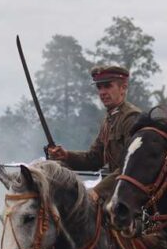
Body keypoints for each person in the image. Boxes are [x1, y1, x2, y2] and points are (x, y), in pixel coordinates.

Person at [47, 66, 141, 202]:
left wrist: (98, 191)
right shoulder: (109, 120)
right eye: (99, 87)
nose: (102, 92)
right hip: (115, 193)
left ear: (123, 88)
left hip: (129, 199)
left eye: (108, 86)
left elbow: (131, 167)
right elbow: (94, 159)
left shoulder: (131, 118)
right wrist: (66, 156)